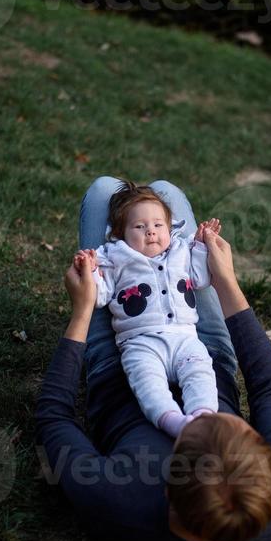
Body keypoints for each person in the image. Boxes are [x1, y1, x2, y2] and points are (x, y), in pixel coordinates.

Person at [35, 176, 271, 541]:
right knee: (165, 194)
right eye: (234, 422)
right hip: (205, 351)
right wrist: (224, 280)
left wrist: (82, 311)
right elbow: (269, 390)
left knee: (104, 190)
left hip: (120, 355)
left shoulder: (114, 501)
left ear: (167, 484)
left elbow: (53, 415)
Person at [72, 179, 223, 440]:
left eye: (157, 225)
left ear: (170, 228)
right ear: (120, 234)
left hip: (186, 338)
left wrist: (200, 246)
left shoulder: (181, 250)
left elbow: (201, 280)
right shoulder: (115, 256)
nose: (150, 232)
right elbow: (100, 296)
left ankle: (203, 414)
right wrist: (92, 271)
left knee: (200, 373)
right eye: (139, 227)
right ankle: (172, 421)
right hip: (140, 343)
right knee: (147, 383)